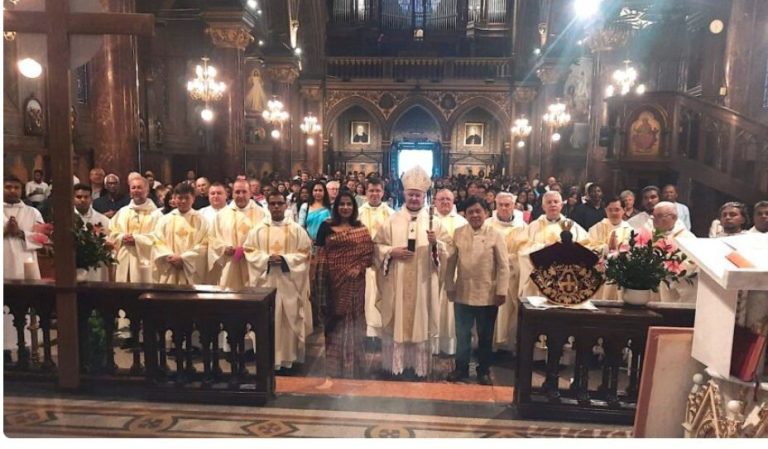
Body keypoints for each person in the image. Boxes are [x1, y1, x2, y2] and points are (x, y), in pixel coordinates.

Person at [374, 166, 448, 379]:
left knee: (421, 321)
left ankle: (419, 367)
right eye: (411, 194)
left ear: (425, 196)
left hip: (423, 283)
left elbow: (448, 252)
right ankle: (397, 366)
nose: (415, 198)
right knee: (398, 320)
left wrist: (437, 245)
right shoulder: (392, 220)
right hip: (397, 281)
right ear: (403, 194)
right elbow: (377, 247)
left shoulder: (435, 223)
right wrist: (391, 251)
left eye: (419, 194)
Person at [244, 191, 313, 371]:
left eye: (279, 203)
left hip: (289, 284)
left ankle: (288, 359)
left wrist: (284, 260)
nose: (276, 207)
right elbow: (249, 251)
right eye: (272, 203)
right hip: (266, 284)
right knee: (268, 320)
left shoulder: (297, 230)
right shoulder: (257, 230)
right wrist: (266, 259)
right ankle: (267, 359)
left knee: (288, 321)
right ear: (267, 205)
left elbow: (305, 253)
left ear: (286, 205)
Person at [445, 197, 510, 385]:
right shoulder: (458, 233)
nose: (474, 215)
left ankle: (483, 370)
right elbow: (450, 263)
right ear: (465, 214)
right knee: (462, 335)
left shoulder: (495, 234)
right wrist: (450, 286)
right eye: (470, 212)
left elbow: (504, 266)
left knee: (485, 336)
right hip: (463, 292)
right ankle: (461, 369)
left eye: (478, 211)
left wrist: (501, 290)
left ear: (486, 213)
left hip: (487, 294)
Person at [315, 191, 374, 380]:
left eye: (349, 204)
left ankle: (354, 364)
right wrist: (321, 279)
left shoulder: (361, 229)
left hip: (354, 283)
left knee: (353, 321)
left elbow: (368, 255)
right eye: (342, 204)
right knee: (333, 321)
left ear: (354, 207)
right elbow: (319, 254)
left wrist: (358, 267)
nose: (345, 208)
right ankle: (334, 366)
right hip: (330, 283)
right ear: (336, 207)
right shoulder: (326, 227)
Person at [518, 191, 589, 298]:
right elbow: (522, 250)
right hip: (539, 280)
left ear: (561, 205)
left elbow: (586, 247)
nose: (553, 204)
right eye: (549, 202)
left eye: (556, 202)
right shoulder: (533, 227)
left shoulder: (572, 226)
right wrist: (543, 247)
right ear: (543, 206)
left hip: (565, 280)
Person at [487, 192, 527, 354]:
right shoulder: (488, 224)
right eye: (500, 205)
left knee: (511, 310)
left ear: (514, 206)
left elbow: (527, 250)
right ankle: (491, 346)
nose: (504, 208)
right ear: (495, 205)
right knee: (492, 310)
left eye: (507, 205)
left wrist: (512, 259)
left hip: (515, 275)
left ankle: (510, 344)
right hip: (492, 274)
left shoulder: (523, 226)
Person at [357, 178, 395, 346]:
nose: (374, 194)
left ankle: (382, 335)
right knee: (365, 298)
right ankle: (367, 335)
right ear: (366, 192)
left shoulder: (391, 214)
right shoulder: (358, 213)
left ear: (383, 192)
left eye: (377, 191)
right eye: (371, 190)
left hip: (384, 264)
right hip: (363, 264)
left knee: (382, 296)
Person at [209, 179, 266, 290]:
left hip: (253, 267)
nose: (241, 195)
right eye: (237, 192)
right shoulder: (221, 215)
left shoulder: (263, 214)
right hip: (229, 267)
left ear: (250, 193)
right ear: (232, 193)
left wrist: (249, 251)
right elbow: (212, 239)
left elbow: (267, 240)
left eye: (244, 192)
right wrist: (223, 249)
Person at [431, 189, 467, 356]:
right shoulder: (428, 219)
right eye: (441, 199)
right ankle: (432, 343)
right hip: (432, 270)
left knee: (450, 310)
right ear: (435, 201)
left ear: (453, 201)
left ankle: (450, 346)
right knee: (433, 305)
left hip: (454, 270)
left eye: (448, 199)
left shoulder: (461, 221)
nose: (445, 202)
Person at [152, 183, 209, 285]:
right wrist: (169, 257)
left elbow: (204, 244)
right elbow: (157, 241)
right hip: (169, 267)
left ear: (193, 199)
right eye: (180, 198)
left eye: (187, 198)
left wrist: (184, 259)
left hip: (192, 272)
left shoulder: (201, 220)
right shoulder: (165, 220)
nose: (183, 201)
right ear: (174, 198)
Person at [109, 176, 160, 283]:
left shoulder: (156, 214)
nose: (136, 191)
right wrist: (122, 237)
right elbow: (111, 231)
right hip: (123, 258)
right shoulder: (123, 212)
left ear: (147, 190)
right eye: (133, 188)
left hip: (144, 261)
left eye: (139, 188)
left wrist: (136, 239)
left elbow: (159, 237)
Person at [587, 197, 634, 300]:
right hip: (600, 273)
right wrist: (607, 248)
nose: (613, 213)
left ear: (623, 210)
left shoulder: (631, 230)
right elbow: (588, 247)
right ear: (605, 211)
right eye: (610, 210)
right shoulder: (596, 228)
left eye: (617, 209)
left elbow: (633, 251)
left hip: (621, 273)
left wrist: (619, 251)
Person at [650, 202, 696, 303]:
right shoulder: (651, 235)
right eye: (653, 216)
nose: (654, 220)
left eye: (659, 216)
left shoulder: (687, 239)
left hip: (673, 289)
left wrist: (665, 269)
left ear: (674, 217)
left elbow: (691, 264)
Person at [4, 176, 45, 280]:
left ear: (21, 190)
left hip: (24, 262)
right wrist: (5, 231)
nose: (12, 190)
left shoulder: (33, 213)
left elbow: (42, 239)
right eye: (8, 187)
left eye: (16, 187)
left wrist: (19, 233)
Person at [74, 183, 110, 281]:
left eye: (86, 197)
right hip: (73, 265)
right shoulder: (66, 219)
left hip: (96, 267)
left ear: (91, 199)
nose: (83, 200)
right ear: (72, 198)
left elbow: (109, 242)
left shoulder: (103, 220)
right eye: (79, 197)